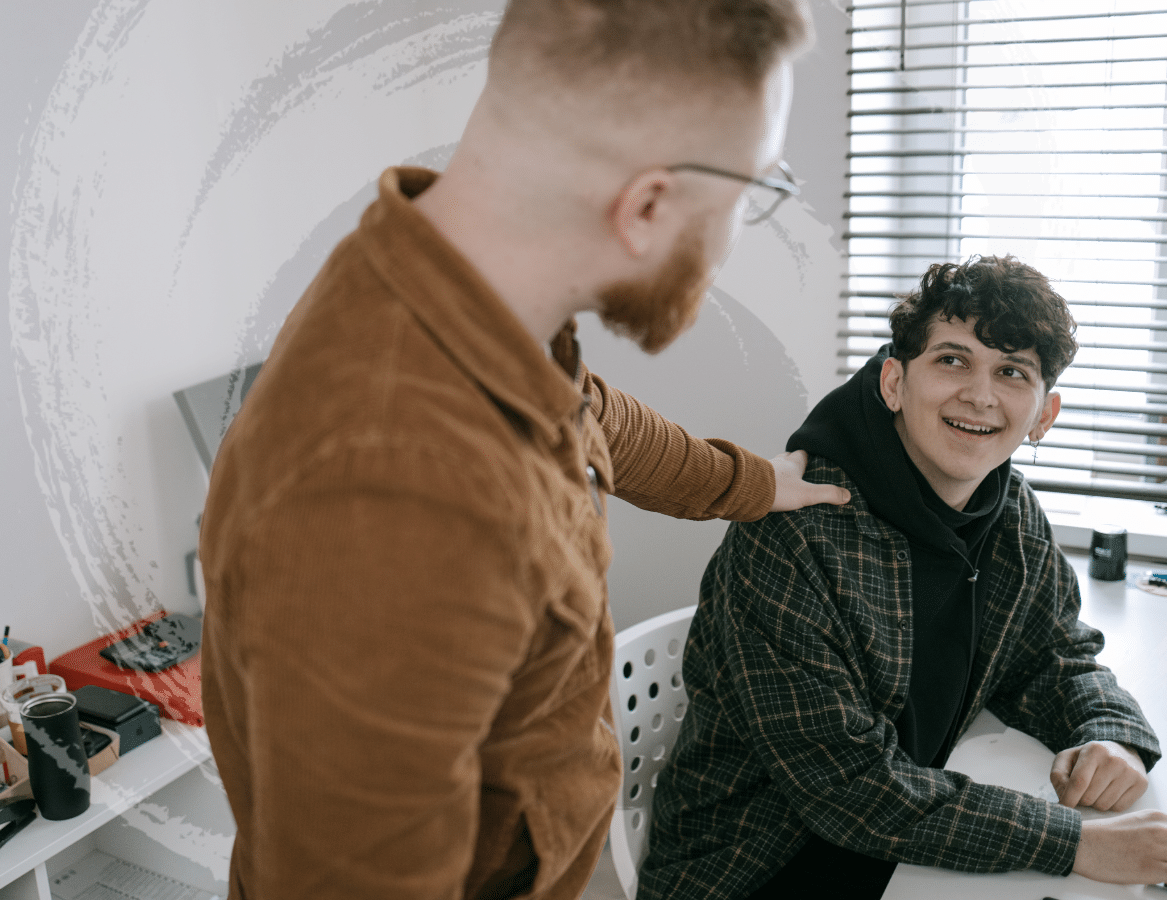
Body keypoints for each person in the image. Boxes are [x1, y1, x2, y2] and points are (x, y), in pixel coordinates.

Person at [198, 1, 844, 898]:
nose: (735, 238)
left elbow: (595, 418)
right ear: (647, 204)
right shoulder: (391, 489)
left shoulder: (462, 286)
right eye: (750, 197)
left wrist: (756, 483)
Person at [638, 255, 1167, 900]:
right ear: (894, 383)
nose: (981, 395)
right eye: (953, 360)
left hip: (903, 836)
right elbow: (847, 787)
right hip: (763, 866)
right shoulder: (794, 532)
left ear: (1044, 415)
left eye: (1012, 372)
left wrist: (1110, 735)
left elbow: (1052, 654)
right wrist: (1074, 845)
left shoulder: (1010, 511)